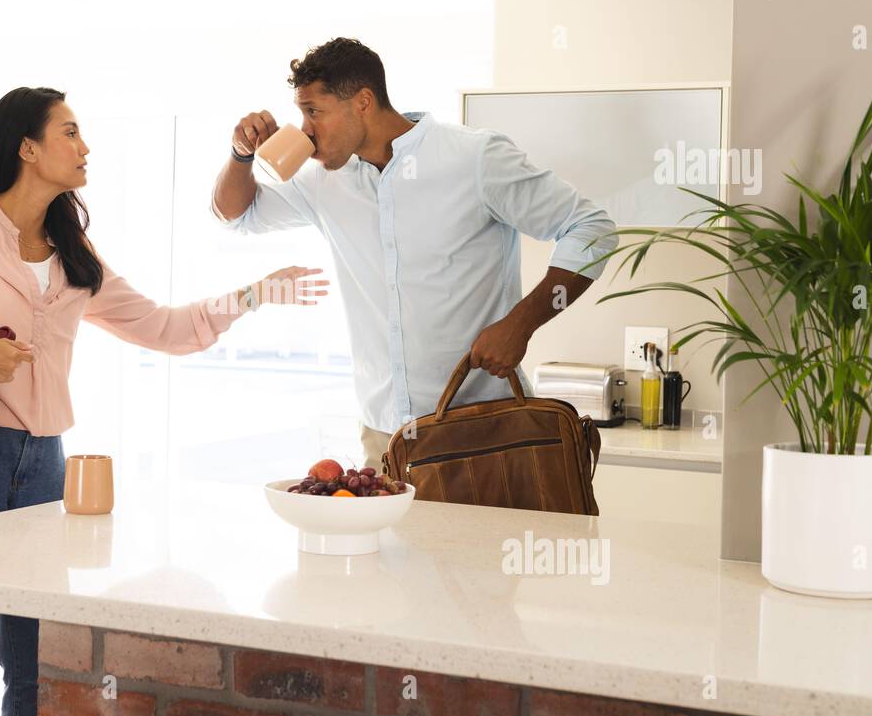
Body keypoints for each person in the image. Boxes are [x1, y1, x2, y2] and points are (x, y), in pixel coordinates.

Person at [0, 86, 328, 716]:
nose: (86, 147)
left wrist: (255, 294)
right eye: (70, 132)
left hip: (44, 464)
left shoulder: (72, 248)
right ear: (26, 147)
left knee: (33, 665)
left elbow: (164, 328)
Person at [211, 37, 618, 470]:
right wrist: (241, 155)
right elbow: (236, 215)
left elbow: (591, 231)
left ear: (363, 102)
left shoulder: (473, 157)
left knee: (482, 541)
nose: (305, 129)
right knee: (385, 542)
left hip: (481, 428)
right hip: (384, 437)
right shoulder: (322, 182)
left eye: (314, 111)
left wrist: (521, 324)